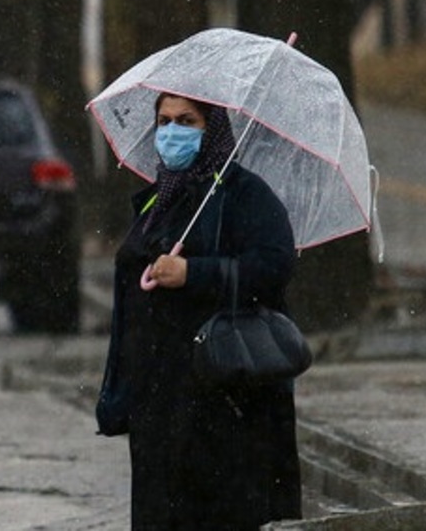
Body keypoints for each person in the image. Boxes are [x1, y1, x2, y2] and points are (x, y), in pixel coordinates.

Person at [95, 93, 302, 530]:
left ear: (213, 128)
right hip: (158, 400)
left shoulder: (244, 194)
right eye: (164, 120)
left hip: (224, 397)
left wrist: (195, 272)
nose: (172, 132)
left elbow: (273, 266)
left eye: (187, 121)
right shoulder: (158, 199)